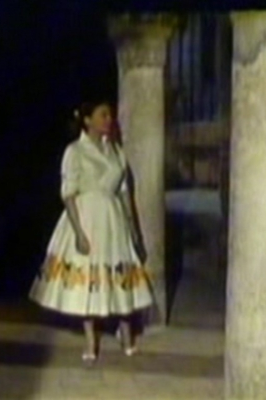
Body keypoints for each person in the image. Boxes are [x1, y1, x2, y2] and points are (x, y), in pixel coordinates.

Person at [29, 100, 154, 362]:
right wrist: (78, 232)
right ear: (87, 120)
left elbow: (124, 193)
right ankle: (90, 339)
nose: (108, 120)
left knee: (120, 272)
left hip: (113, 219)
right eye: (102, 115)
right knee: (89, 277)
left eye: (110, 115)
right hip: (87, 217)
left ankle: (126, 332)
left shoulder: (116, 151)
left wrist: (133, 229)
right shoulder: (75, 151)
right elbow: (68, 194)